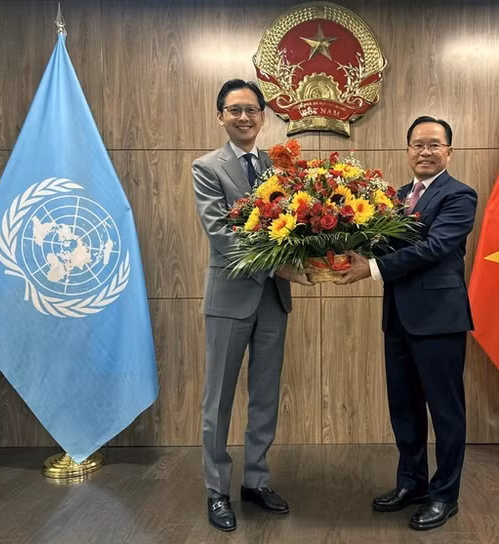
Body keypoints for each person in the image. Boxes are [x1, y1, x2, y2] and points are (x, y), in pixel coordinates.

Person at [337, 116, 477, 531]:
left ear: (449, 151)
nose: (425, 152)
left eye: (435, 144)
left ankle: (444, 496)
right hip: (397, 319)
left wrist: (373, 268)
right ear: (407, 150)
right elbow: (376, 241)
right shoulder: (395, 197)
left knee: (446, 413)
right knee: (405, 408)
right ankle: (411, 484)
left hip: (439, 321)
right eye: (418, 144)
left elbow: (435, 247)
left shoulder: (459, 196)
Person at [192, 79, 311, 532]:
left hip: (273, 304)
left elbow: (293, 223)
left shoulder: (278, 168)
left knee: (265, 396)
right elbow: (221, 235)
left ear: (264, 116)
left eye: (252, 110)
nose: (244, 117)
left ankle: (256, 480)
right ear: (220, 115)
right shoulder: (207, 168)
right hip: (230, 298)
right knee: (218, 399)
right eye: (234, 110)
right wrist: (279, 267)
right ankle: (217, 490)